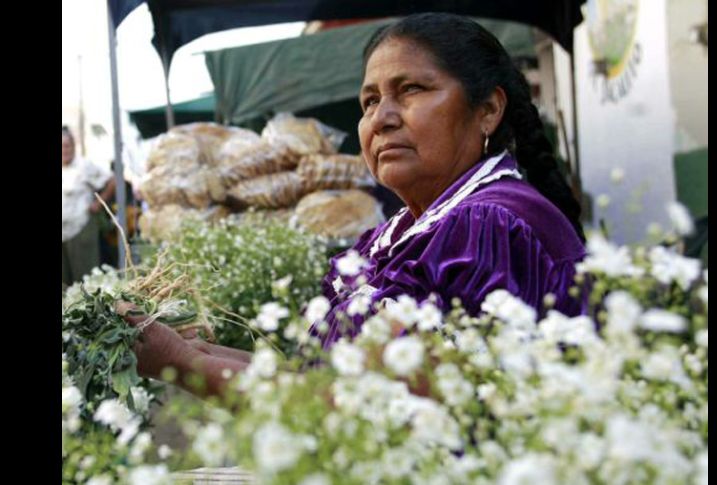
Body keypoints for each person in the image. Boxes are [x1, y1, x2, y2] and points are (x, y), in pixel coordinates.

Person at [120, 13, 587, 397]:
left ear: (487, 109)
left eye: (411, 90)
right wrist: (201, 355)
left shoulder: (489, 226)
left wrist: (184, 366)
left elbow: (377, 408)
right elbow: (324, 379)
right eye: (369, 100)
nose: (381, 118)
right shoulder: (396, 235)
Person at [62, 126, 116, 286]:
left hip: (82, 227)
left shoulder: (84, 165)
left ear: (73, 147)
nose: (64, 150)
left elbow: (111, 181)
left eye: (67, 145)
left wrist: (98, 204)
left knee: (85, 277)